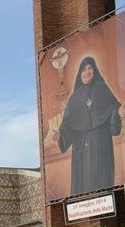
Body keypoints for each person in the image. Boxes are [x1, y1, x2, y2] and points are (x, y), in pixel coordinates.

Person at [53, 56, 125, 195]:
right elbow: (67, 124)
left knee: (102, 181)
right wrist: (60, 134)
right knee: (84, 182)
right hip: (81, 148)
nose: (87, 72)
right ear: (80, 73)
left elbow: (113, 109)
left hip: (101, 143)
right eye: (84, 69)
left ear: (94, 70)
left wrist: (117, 113)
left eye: (90, 68)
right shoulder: (75, 97)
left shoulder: (102, 88)